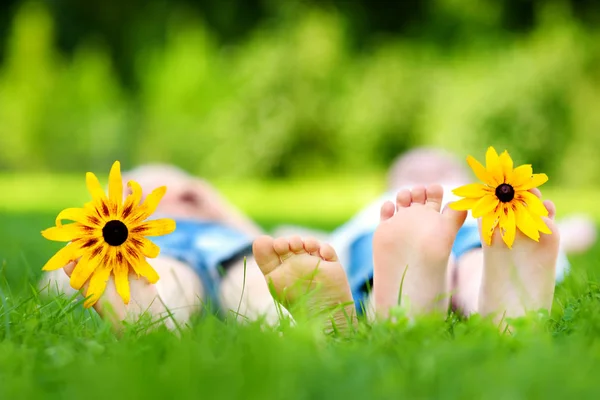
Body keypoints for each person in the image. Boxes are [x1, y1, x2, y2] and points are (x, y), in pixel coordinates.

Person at [40, 149, 596, 332]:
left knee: (247, 278)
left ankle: (408, 296)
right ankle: (493, 307)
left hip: (496, 215)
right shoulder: (383, 218)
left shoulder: (379, 218)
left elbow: (274, 244)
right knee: (217, 279)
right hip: (128, 250)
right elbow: (273, 247)